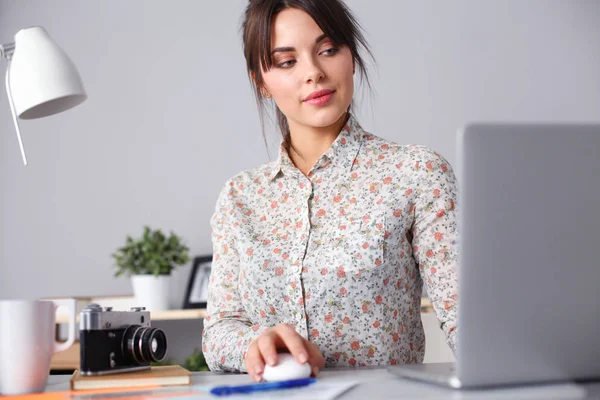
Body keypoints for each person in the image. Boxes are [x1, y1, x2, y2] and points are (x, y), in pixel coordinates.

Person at [202, 0, 458, 382]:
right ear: (262, 82)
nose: (314, 73)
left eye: (327, 50)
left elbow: (465, 316)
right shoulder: (240, 197)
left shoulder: (416, 173)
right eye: (287, 62)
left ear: (351, 57)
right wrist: (256, 342)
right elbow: (219, 330)